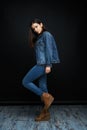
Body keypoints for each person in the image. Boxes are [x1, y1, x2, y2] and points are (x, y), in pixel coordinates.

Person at [22, 18, 60, 121]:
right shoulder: (40, 37)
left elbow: (49, 50)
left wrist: (48, 65)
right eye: (33, 28)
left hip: (43, 65)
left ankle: (45, 96)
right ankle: (45, 114)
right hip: (41, 63)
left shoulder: (46, 35)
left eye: (36, 26)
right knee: (43, 86)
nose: (35, 29)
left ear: (41, 24)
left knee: (25, 81)